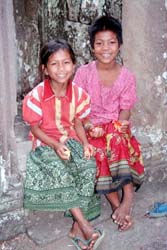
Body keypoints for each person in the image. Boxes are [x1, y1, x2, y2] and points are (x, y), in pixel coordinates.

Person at [22, 39, 104, 250]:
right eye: (54, 64)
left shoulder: (79, 95)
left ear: (74, 64)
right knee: (60, 169)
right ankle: (86, 227)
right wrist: (55, 146)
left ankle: (76, 227)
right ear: (45, 69)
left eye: (66, 62)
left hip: (69, 138)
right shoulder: (36, 96)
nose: (61, 69)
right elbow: (35, 128)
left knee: (88, 166)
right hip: (45, 142)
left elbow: (77, 123)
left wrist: (85, 143)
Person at [73, 15, 145, 232]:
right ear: (92, 47)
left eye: (111, 42)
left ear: (119, 45)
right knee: (98, 152)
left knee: (114, 137)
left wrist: (118, 127)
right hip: (90, 129)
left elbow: (126, 109)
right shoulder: (83, 73)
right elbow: (78, 109)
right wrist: (88, 126)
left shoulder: (127, 76)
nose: (106, 48)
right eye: (99, 43)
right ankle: (119, 207)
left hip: (116, 129)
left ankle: (128, 197)